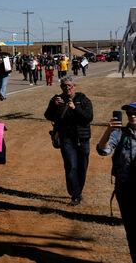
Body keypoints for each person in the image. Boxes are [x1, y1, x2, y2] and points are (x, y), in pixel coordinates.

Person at [44, 75, 93, 206]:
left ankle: (78, 190)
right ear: (61, 87)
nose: (67, 88)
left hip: (82, 138)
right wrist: (54, 106)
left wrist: (75, 108)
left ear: (74, 86)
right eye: (64, 86)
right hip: (66, 138)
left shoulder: (82, 99)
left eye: (69, 86)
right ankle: (75, 194)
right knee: (71, 166)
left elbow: (88, 118)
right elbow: (48, 116)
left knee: (82, 167)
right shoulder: (56, 99)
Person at [96, 101, 136, 261]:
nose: (132, 116)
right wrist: (108, 131)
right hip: (125, 189)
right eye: (129, 113)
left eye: (135, 112)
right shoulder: (120, 133)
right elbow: (102, 150)